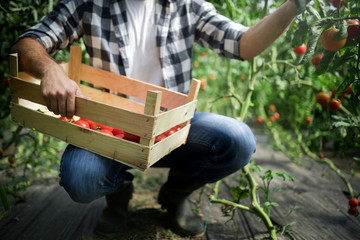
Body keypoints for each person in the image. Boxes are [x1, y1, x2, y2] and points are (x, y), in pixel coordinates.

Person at [11, 0, 307, 238]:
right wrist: (50, 69)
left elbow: (242, 44)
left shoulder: (187, 6)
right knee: (80, 178)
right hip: (110, 132)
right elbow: (27, 43)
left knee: (238, 139)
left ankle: (176, 194)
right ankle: (118, 192)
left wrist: (294, 4)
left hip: (172, 129)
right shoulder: (88, 4)